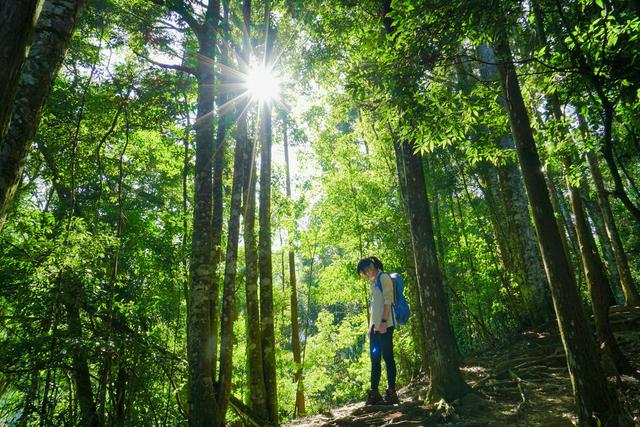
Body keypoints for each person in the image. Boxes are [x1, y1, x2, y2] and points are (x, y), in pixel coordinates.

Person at [357, 256, 400, 405]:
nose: (367, 273)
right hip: (375, 329)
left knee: (388, 358)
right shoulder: (373, 283)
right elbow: (373, 307)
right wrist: (371, 327)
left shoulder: (384, 278)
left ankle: (391, 391)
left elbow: (388, 302)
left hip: (386, 326)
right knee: (375, 360)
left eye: (367, 269)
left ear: (372, 265)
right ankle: (374, 393)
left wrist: (382, 322)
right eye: (364, 272)